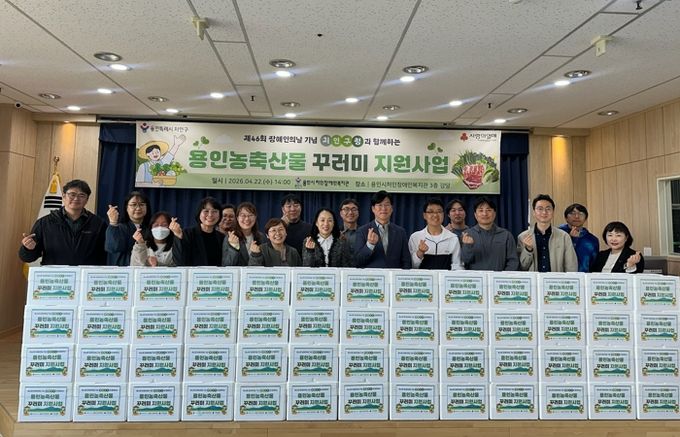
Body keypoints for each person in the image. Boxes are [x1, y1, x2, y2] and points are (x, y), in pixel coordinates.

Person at [19, 179, 106, 266]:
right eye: (72, 194)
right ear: (64, 196)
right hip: (55, 274)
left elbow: (106, 255)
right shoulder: (44, 223)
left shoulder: (98, 224)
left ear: (87, 200)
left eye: (81, 195)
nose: (76, 198)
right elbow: (27, 258)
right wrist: (28, 249)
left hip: (86, 274)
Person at [517, 194, 578, 272]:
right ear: (534, 212)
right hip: (533, 280)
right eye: (540, 209)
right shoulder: (523, 237)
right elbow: (522, 267)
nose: (544, 212)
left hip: (556, 280)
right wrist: (528, 250)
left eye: (548, 209)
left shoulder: (564, 237)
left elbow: (571, 266)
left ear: (553, 212)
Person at [355, 191, 411, 269]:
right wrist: (370, 245)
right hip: (372, 276)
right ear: (373, 209)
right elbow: (358, 262)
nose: (384, 208)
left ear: (392, 208)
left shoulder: (400, 232)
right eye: (380, 205)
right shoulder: (362, 231)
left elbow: (406, 261)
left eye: (387, 205)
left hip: (394, 276)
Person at [460, 196, 519, 271]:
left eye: (488, 210)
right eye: (481, 210)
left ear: (494, 214)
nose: (485, 214)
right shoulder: (467, 234)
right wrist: (468, 246)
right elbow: (464, 261)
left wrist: (503, 277)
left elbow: (513, 261)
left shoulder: (506, 235)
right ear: (475, 215)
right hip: (475, 278)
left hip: (500, 277)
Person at [408, 198, 463, 270]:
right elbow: (410, 266)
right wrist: (420, 253)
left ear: (443, 214)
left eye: (439, 211)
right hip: (422, 277)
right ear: (424, 215)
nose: (435, 215)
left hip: (445, 277)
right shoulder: (415, 237)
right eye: (430, 212)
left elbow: (457, 265)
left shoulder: (453, 238)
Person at [170, 197, 225, 266]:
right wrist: (178, 235)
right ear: (199, 213)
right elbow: (179, 261)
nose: (210, 215)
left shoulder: (222, 237)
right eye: (206, 211)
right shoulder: (187, 234)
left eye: (215, 211)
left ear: (219, 215)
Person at [105, 191, 151, 266]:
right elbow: (112, 247)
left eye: (142, 204)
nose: (138, 208)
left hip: (144, 270)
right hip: (122, 270)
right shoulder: (118, 228)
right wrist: (113, 222)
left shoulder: (151, 228)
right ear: (126, 208)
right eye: (133, 205)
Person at [558, 203, 599, 273]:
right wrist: (571, 239)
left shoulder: (592, 240)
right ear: (566, 218)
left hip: (584, 277)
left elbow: (593, 264)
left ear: (586, 218)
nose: (577, 216)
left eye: (581, 213)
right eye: (572, 213)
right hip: (560, 277)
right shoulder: (557, 234)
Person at [222, 202, 265, 266]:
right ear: (237, 218)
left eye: (250, 215)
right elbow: (226, 265)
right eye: (243, 215)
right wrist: (234, 247)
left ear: (255, 217)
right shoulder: (230, 237)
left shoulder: (261, 237)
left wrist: (256, 255)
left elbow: (265, 264)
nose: (247, 219)